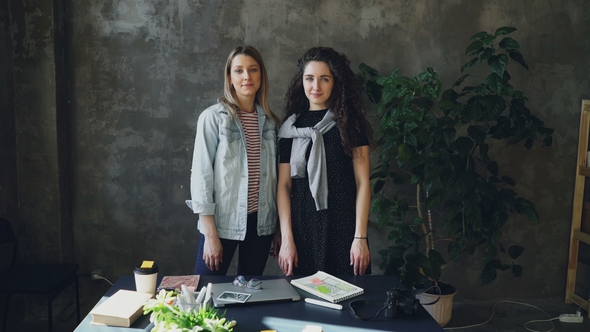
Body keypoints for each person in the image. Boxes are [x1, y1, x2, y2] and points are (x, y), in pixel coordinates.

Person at [276, 47, 374, 277]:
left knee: (350, 301)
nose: (315, 87)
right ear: (302, 81)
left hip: (345, 228)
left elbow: (362, 184)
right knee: (303, 305)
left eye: (324, 79)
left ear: (336, 83)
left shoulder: (351, 126)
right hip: (302, 229)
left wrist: (360, 237)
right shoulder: (290, 129)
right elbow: (284, 186)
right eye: (309, 78)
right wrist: (287, 240)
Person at [185, 46, 281, 276]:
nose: (246, 76)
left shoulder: (271, 123)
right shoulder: (212, 118)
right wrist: (210, 235)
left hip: (261, 226)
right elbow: (201, 177)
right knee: (205, 296)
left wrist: (278, 231)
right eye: (239, 71)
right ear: (230, 78)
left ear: (261, 76)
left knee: (250, 297)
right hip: (221, 224)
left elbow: (277, 181)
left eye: (253, 70)